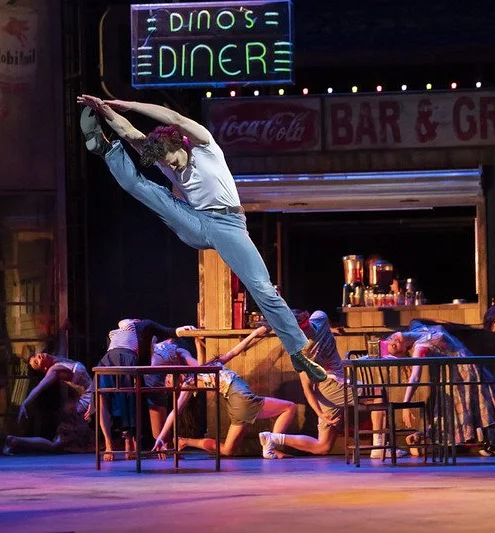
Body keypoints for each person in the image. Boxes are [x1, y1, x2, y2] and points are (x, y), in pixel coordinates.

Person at [76, 94, 326, 384]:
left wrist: (128, 105)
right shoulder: (163, 159)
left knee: (261, 287)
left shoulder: (205, 146)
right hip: (195, 223)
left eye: (172, 161)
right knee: (142, 187)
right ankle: (105, 148)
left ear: (180, 145)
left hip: (228, 226)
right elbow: (130, 133)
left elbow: (175, 119)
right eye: (165, 164)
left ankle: (296, 352)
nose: (171, 167)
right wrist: (104, 111)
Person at [257, 310, 406, 459]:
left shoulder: (320, 318)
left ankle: (272, 438)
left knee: (323, 446)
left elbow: (321, 325)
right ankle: (379, 447)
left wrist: (330, 330)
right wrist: (321, 414)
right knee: (377, 393)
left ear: (306, 318)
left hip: (331, 388)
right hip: (331, 386)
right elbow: (307, 389)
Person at [150, 327, 297, 458]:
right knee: (289, 407)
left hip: (237, 401)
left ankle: (184, 441)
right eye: (168, 382)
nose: (167, 378)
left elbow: (234, 351)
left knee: (227, 450)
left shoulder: (204, 367)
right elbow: (174, 412)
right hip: (240, 398)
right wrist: (161, 437)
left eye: (167, 377)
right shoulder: (189, 385)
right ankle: (271, 448)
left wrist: (255, 333)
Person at [385, 322, 495, 446]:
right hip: (459, 377)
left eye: (391, 338)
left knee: (487, 407)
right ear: (404, 350)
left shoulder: (417, 327)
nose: (393, 340)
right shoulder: (420, 348)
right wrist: (406, 404)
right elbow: (415, 377)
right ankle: (422, 436)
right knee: (461, 415)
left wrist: (449, 323)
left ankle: (488, 442)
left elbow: (420, 319)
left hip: (471, 366)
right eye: (394, 346)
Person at [96, 318, 196, 460]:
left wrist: (188, 333)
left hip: (144, 375)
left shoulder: (173, 346)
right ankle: (116, 443)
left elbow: (172, 333)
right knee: (108, 400)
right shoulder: (128, 336)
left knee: (136, 406)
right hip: (123, 365)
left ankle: (145, 444)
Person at [2, 352, 94, 455]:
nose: (38, 357)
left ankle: (14, 441)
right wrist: (25, 403)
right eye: (36, 362)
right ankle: (14, 441)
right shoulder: (53, 370)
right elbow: (39, 387)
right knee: (56, 445)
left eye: (36, 356)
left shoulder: (59, 359)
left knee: (61, 444)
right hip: (86, 401)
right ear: (44, 369)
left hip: (88, 398)